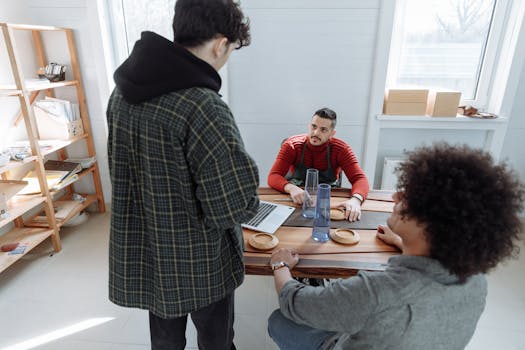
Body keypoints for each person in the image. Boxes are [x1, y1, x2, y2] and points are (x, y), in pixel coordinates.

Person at [106, 1, 259, 349]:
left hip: (149, 253)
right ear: (221, 43)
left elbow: (124, 172)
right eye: (231, 49)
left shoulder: (123, 92)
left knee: (164, 342)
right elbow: (233, 206)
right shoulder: (202, 106)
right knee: (216, 341)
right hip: (200, 262)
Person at [267, 143, 524, 350]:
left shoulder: (377, 291)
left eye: (409, 197)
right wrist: (403, 242)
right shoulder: (478, 281)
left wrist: (281, 265)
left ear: (432, 223)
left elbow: (295, 302)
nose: (395, 196)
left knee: (279, 321)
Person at [268, 108, 369, 222]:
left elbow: (359, 179)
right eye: (314, 126)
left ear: (332, 133)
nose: (316, 133)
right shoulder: (291, 145)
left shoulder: (342, 150)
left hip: (328, 200)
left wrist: (356, 200)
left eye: (323, 130)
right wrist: (291, 188)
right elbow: (273, 176)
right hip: (297, 197)